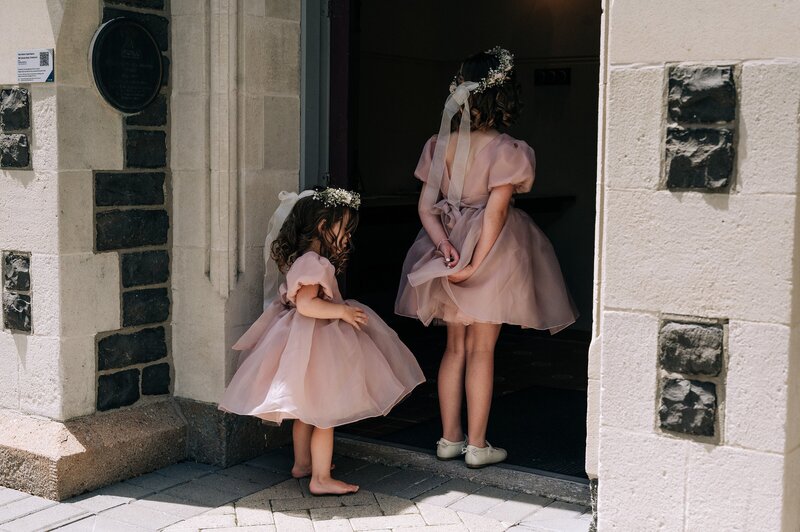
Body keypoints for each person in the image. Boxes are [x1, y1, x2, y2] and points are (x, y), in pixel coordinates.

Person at [395, 47, 578, 469]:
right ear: (503, 96)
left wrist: (445, 249)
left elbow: (425, 208)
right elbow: (495, 214)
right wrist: (475, 264)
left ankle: (448, 438)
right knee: (482, 350)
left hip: (448, 243)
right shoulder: (508, 149)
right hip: (491, 250)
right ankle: (477, 445)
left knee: (453, 347)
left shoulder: (438, 145)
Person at [220, 187, 425, 495]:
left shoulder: (304, 259)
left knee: (307, 409)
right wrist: (341, 310)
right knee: (326, 414)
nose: (348, 236)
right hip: (316, 339)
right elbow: (306, 304)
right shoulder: (315, 262)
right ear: (322, 226)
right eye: (344, 227)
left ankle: (303, 464)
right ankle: (321, 479)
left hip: (304, 340)